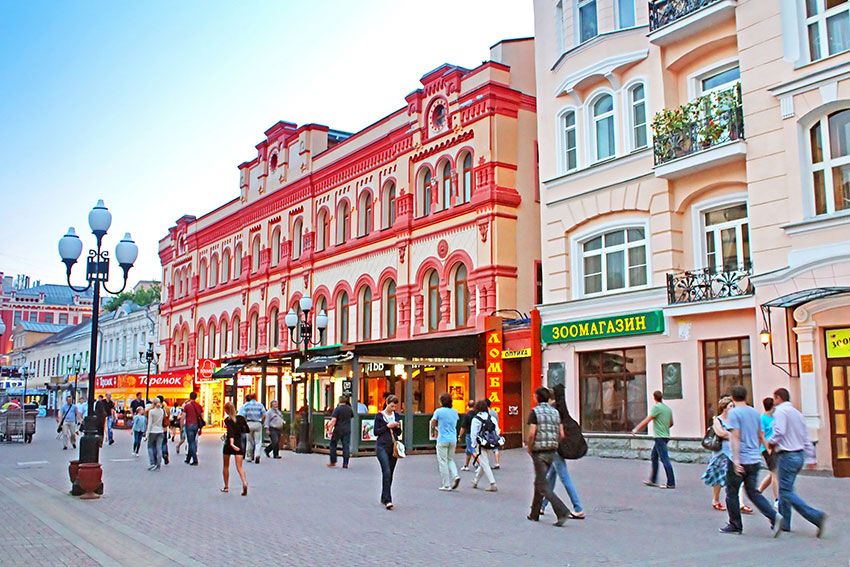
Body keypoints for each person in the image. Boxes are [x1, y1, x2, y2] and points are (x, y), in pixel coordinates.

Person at [719, 386, 782, 536]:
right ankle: (775, 517)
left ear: (733, 397)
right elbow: (761, 434)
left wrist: (735, 460)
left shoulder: (734, 413)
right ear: (746, 396)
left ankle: (735, 524)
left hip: (741, 458)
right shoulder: (754, 412)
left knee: (731, 492)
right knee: (753, 492)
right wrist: (767, 449)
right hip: (754, 458)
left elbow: (735, 436)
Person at [769, 387, 827, 537]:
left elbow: (779, 431)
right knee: (786, 489)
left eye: (774, 399)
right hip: (798, 455)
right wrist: (811, 456)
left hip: (787, 455)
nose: (774, 402)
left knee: (785, 491)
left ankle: (815, 516)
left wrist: (770, 442)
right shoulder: (797, 413)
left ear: (778, 398)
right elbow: (805, 436)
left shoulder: (780, 411)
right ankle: (785, 522)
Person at [527, 387, 569, 526]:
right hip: (552, 451)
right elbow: (561, 434)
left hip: (539, 452)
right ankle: (534, 513)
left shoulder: (535, 412)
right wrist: (555, 443)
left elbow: (532, 433)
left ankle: (562, 510)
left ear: (537, 397)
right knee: (540, 481)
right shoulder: (555, 413)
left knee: (542, 485)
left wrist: (530, 447)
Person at [542, 384, 584, 519]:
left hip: (555, 448)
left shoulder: (553, 409)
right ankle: (541, 506)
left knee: (564, 478)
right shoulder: (562, 408)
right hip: (559, 447)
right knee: (550, 478)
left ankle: (578, 507)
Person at [632, 390, 675, 489]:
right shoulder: (667, 409)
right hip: (666, 436)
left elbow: (647, 420)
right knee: (654, 456)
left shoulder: (656, 408)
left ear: (654, 397)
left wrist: (636, 429)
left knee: (665, 459)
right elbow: (671, 423)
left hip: (659, 436)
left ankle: (671, 482)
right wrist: (664, 426)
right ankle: (653, 479)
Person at [702, 396, 733, 511]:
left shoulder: (733, 420)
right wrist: (733, 435)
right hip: (720, 452)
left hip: (732, 451)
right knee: (718, 477)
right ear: (724, 408)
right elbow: (720, 433)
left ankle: (737, 502)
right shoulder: (717, 420)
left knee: (732, 477)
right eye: (730, 406)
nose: (732, 408)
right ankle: (715, 499)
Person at [374, 395, 402, 509]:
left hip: (393, 446)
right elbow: (376, 432)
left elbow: (399, 432)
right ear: (387, 403)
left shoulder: (396, 416)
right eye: (391, 405)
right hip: (381, 446)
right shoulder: (379, 416)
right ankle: (388, 499)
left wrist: (397, 426)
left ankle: (384, 495)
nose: (393, 408)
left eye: (395, 406)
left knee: (390, 472)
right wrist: (387, 426)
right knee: (386, 470)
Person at [430, 393, 460, 491]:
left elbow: (433, 422)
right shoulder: (455, 412)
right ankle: (455, 475)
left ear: (441, 401)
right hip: (453, 438)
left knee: (443, 461)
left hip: (442, 438)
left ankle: (446, 484)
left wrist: (433, 430)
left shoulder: (439, 411)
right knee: (450, 459)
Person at [470, 399, 499, 492]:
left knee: (484, 463)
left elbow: (473, 433)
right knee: (483, 462)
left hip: (480, 443)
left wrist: (474, 444)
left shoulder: (476, 419)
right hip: (490, 442)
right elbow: (497, 430)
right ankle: (475, 481)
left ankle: (492, 483)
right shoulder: (492, 418)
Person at [221, 401, 249, 496]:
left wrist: (231, 443)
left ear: (226, 410)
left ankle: (226, 486)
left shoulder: (227, 420)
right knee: (239, 467)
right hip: (239, 443)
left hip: (229, 444)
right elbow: (247, 430)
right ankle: (244, 482)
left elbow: (230, 432)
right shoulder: (241, 419)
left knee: (226, 466)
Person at [757, 397, 778, 502]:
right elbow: (762, 435)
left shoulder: (774, 417)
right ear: (772, 406)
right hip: (767, 448)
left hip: (775, 447)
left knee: (772, 473)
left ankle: (759, 491)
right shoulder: (763, 418)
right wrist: (767, 448)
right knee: (775, 473)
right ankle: (777, 499)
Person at [238, 394, 266, 464]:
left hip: (249, 423)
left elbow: (243, 415)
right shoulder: (260, 405)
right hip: (258, 423)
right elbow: (264, 414)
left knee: (249, 441)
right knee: (258, 441)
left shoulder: (246, 405)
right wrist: (262, 421)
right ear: (256, 397)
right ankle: (257, 454)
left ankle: (249, 457)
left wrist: (245, 423)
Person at [327, 396, 354, 468]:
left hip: (338, 429)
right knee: (346, 446)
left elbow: (333, 420)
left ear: (339, 401)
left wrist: (330, 430)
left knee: (333, 444)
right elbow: (351, 416)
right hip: (347, 429)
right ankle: (345, 463)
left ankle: (333, 461)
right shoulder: (349, 409)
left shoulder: (337, 409)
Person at [182, 392, 204, 466]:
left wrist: (181, 426)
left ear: (190, 397)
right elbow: (202, 417)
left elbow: (183, 417)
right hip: (196, 425)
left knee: (191, 442)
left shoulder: (187, 406)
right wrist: (201, 429)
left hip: (189, 425)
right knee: (193, 441)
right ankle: (188, 458)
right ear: (196, 397)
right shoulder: (199, 406)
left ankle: (195, 459)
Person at [145, 398, 166, 471]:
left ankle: (152, 463)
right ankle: (159, 463)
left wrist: (146, 434)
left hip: (153, 431)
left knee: (150, 447)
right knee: (159, 447)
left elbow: (149, 423)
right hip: (160, 430)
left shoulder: (151, 411)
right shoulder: (162, 411)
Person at [458, 400, 476, 471]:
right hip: (476, 434)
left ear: (468, 406)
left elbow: (463, 427)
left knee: (471, 450)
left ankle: (481, 465)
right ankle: (466, 465)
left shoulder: (467, 415)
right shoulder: (476, 414)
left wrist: (459, 436)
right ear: (474, 406)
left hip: (469, 434)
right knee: (469, 450)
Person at [485, 398, 502, 469]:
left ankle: (485, 463)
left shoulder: (485, 413)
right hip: (495, 431)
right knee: (495, 448)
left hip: (487, 432)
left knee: (485, 448)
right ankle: (497, 463)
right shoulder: (495, 413)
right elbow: (497, 422)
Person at [156, 395, 171, 465]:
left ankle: (159, 456)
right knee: (164, 443)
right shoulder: (167, 408)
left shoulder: (155, 408)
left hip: (157, 428)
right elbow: (168, 417)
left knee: (157, 443)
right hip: (164, 428)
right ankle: (165, 454)